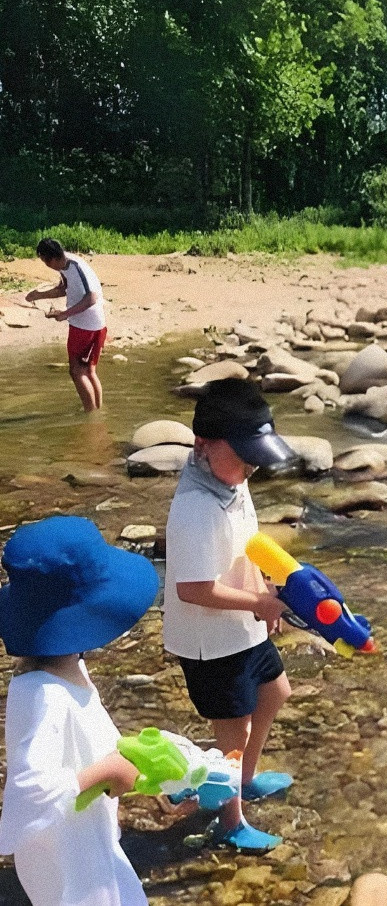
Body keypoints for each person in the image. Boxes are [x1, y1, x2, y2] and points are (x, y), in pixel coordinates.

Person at [164, 378, 299, 854]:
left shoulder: (231, 482)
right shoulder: (194, 507)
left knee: (276, 690)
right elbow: (194, 588)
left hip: (242, 625)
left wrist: (264, 593)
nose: (247, 471)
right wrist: (258, 604)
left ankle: (244, 778)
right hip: (209, 641)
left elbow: (250, 548)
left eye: (254, 462)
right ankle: (229, 819)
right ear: (202, 445)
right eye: (241, 459)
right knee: (233, 732)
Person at [0, 515, 159, 906]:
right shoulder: (44, 695)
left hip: (91, 844)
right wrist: (106, 770)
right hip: (73, 870)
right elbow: (29, 792)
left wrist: (154, 773)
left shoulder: (69, 667)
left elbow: (88, 743)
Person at [24, 238, 107, 412]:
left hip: (84, 327)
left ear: (50, 259)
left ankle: (89, 414)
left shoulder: (76, 267)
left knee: (76, 371)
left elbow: (91, 298)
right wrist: (38, 295)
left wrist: (65, 314)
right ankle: (97, 411)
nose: (46, 265)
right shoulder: (67, 263)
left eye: (44, 261)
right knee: (89, 371)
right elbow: (64, 289)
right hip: (97, 324)